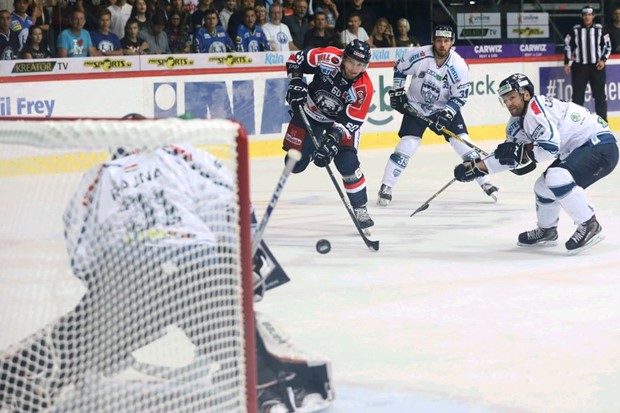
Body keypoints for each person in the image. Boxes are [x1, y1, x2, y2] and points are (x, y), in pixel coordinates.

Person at [0, 135, 332, 413]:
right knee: (229, 324)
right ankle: (268, 382)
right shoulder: (177, 156)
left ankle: (30, 374)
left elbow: (80, 237)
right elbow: (227, 202)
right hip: (196, 263)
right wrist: (244, 260)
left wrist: (97, 293)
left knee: (90, 334)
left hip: (129, 272)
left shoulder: (101, 173)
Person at [453, 73, 618, 255]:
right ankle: (547, 230)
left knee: (556, 177)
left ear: (525, 94)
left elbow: (549, 148)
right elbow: (512, 157)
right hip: (580, 148)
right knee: (542, 187)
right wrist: (477, 168)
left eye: (512, 98)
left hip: (601, 147)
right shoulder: (517, 122)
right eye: (505, 100)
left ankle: (589, 224)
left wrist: (521, 151)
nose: (508, 104)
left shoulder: (536, 111)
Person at [377, 25, 498, 206]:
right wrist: (397, 92)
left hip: (444, 108)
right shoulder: (419, 55)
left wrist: (447, 114)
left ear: (452, 42)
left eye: (446, 41)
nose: (442, 44)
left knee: (463, 143)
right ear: (433, 40)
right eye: (439, 40)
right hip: (416, 106)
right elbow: (400, 68)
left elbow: (460, 96)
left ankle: (486, 182)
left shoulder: (459, 66)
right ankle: (386, 187)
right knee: (407, 145)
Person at [283, 39, 375, 232]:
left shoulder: (363, 87)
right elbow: (296, 59)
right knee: (294, 164)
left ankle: (360, 208)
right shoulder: (329, 56)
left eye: (359, 65)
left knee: (347, 163)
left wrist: (332, 141)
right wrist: (296, 81)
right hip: (311, 111)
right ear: (343, 58)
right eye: (351, 62)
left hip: (339, 122)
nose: (353, 69)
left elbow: (350, 123)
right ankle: (312, 150)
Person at [563, 5, 612, 122]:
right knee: (577, 98)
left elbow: (608, 46)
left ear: (593, 16)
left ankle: (603, 123)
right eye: (585, 14)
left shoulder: (600, 29)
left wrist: (603, 60)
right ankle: (576, 124)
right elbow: (567, 45)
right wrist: (567, 62)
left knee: (600, 96)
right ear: (582, 16)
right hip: (580, 67)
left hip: (597, 67)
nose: (587, 17)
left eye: (589, 14)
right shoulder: (575, 29)